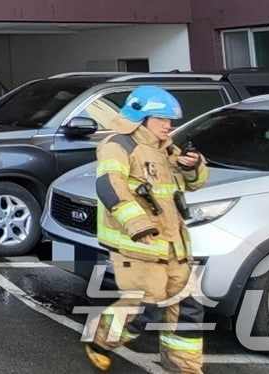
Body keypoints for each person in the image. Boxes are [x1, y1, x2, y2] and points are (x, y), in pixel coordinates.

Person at [85, 85, 208, 373]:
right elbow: (109, 184)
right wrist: (137, 223)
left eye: (169, 121)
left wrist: (193, 166)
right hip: (140, 246)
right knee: (144, 307)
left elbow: (194, 183)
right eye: (161, 119)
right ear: (140, 118)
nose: (168, 126)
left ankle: (184, 367)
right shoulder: (118, 145)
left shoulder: (167, 149)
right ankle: (100, 342)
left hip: (175, 246)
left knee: (187, 309)